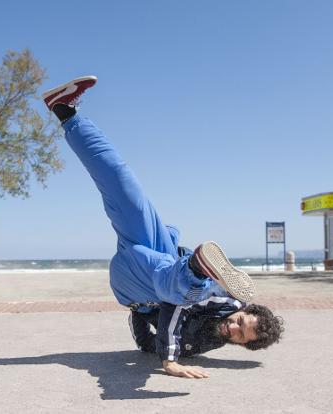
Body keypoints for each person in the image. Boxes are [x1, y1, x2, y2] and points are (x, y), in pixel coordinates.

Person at [42, 76, 284, 379]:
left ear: (242, 346)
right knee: (125, 189)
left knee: (178, 291)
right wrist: (168, 358)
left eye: (239, 335)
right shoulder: (227, 301)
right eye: (239, 321)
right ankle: (66, 113)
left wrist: (148, 346)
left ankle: (195, 269)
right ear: (243, 310)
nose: (232, 328)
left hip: (136, 288)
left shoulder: (206, 345)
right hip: (159, 258)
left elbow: (150, 323)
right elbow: (175, 313)